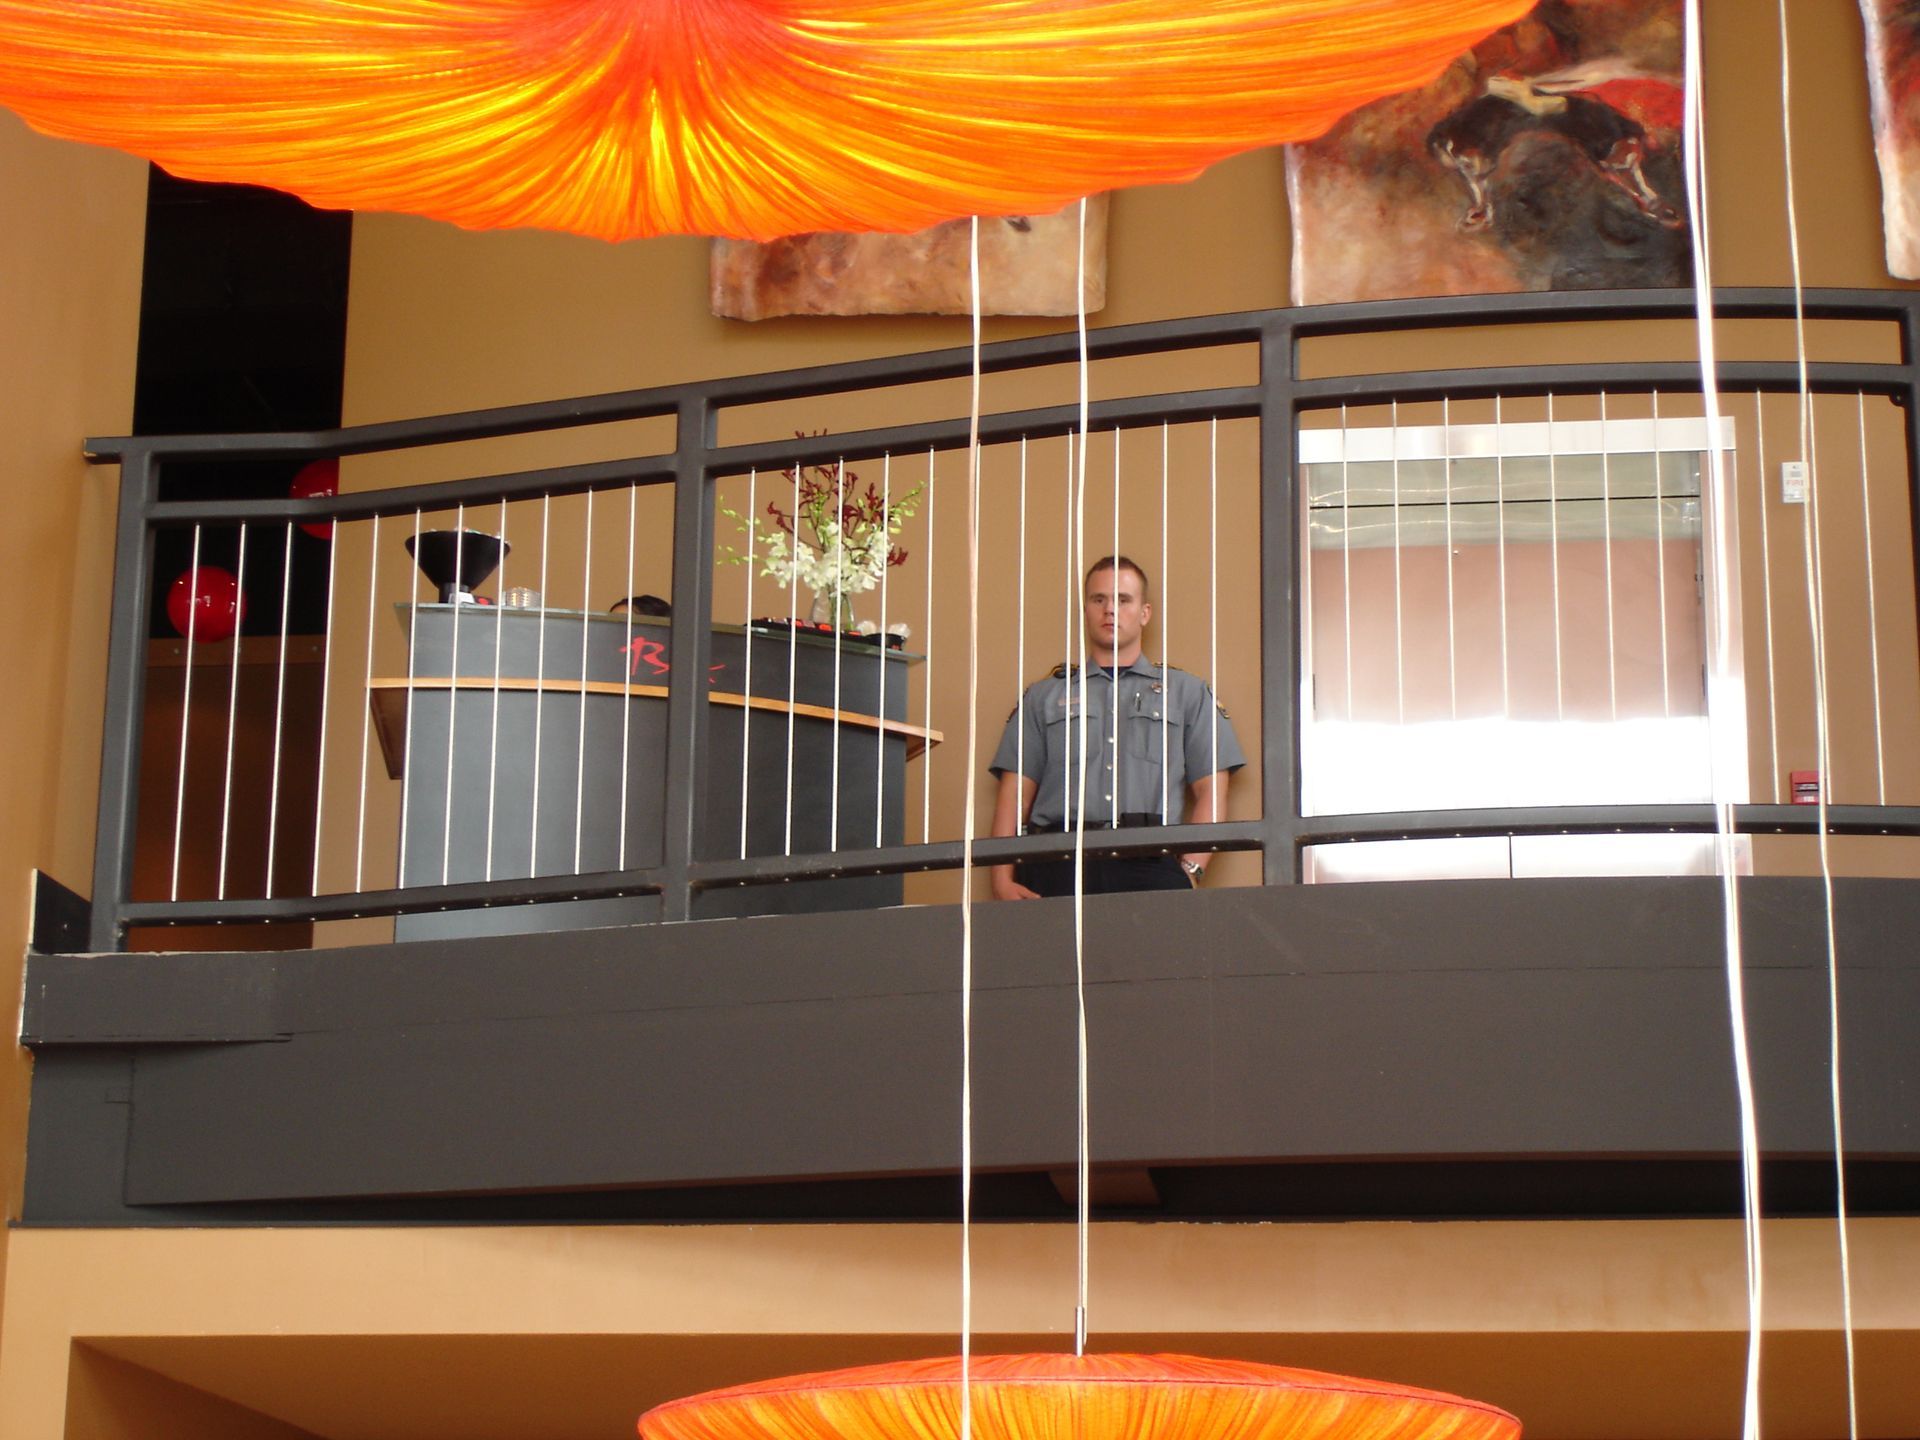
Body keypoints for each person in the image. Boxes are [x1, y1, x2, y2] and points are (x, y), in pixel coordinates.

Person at [989, 554, 1244, 899]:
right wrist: (1002, 879)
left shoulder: (1186, 693)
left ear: (1144, 613)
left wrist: (1191, 870)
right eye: (1099, 599)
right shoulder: (1044, 696)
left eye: (1123, 600)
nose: (1110, 609)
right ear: (1086, 610)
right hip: (1053, 863)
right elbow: (1014, 794)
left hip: (1150, 864)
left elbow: (1212, 790)